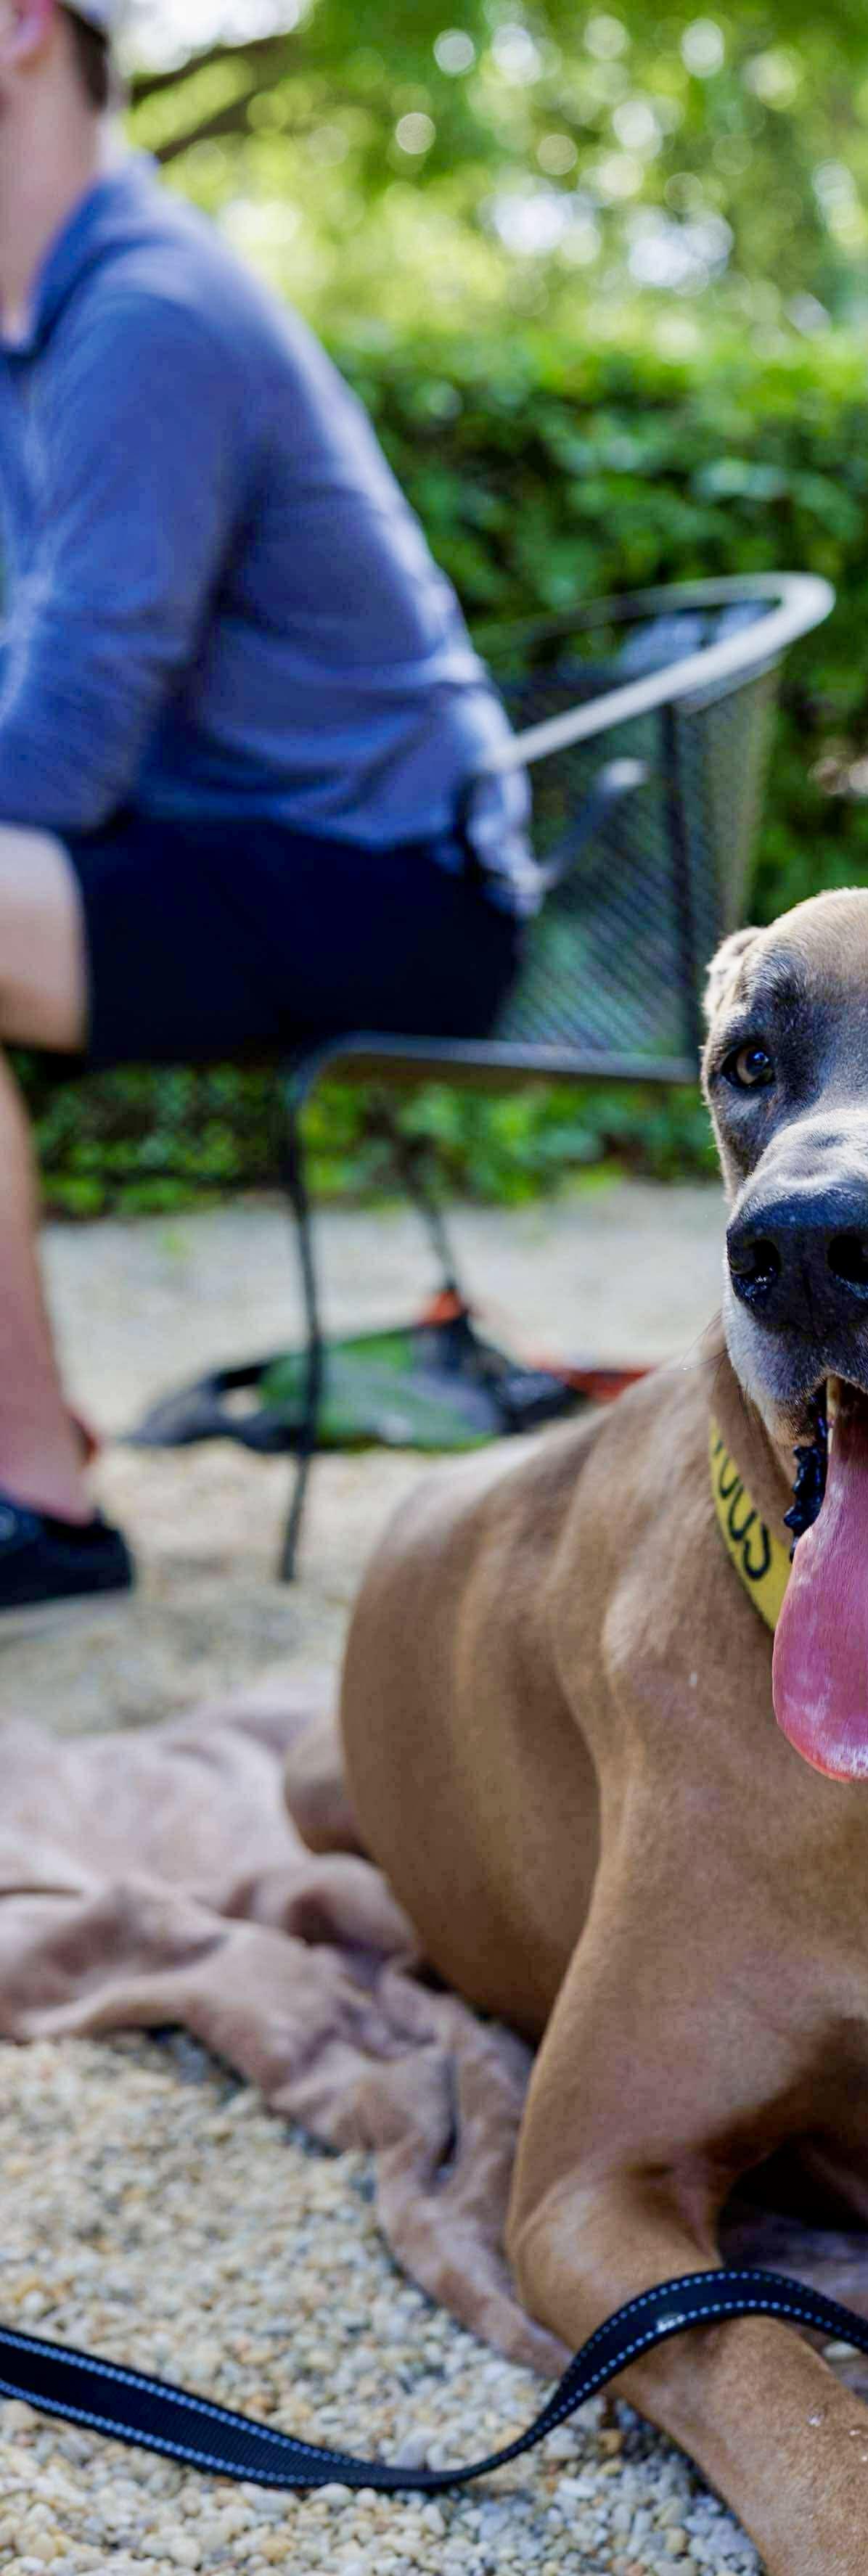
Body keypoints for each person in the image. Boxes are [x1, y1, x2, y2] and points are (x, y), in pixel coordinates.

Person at [0, 0, 535, 1620]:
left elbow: (59, 758)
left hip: (395, 890)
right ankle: (27, 1462)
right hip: (244, 854)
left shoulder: (150, 315)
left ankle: (33, 1490)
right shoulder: (47, 326)